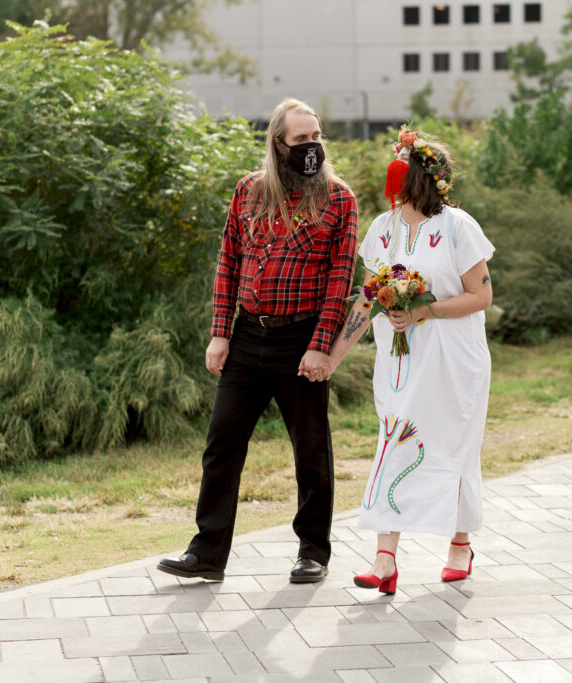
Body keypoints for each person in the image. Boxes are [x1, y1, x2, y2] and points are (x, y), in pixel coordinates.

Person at [157, 98, 358, 584]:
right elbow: (228, 262)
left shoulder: (338, 198)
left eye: (317, 138)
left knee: (310, 451)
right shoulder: (248, 191)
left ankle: (313, 551)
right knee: (222, 444)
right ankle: (206, 554)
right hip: (247, 336)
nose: (312, 147)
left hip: (301, 340)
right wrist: (219, 333)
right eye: (301, 140)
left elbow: (340, 278)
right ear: (278, 144)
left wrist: (321, 344)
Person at [327, 128, 494, 593]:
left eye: (403, 169)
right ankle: (384, 560)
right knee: (395, 440)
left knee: (453, 447)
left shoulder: (459, 226)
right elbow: (366, 299)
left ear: (424, 177)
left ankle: (459, 544)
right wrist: (334, 356)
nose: (396, 178)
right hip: (400, 363)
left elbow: (482, 295)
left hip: (454, 360)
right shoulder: (382, 229)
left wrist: (424, 310)